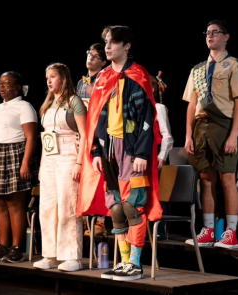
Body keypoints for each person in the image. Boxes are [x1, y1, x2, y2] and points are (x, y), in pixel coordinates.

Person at [77, 25, 163, 281]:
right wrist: (95, 152)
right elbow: (95, 119)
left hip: (132, 151)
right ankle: (123, 261)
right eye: (106, 43)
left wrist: (142, 154)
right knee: (115, 208)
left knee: (132, 207)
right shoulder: (102, 78)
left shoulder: (138, 75)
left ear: (126, 46)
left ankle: (135, 263)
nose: (107, 47)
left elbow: (147, 119)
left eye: (113, 42)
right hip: (109, 150)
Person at [183, 19, 238, 249]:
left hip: (224, 126)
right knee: (206, 181)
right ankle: (208, 231)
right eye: (207, 33)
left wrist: (234, 135)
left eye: (215, 32)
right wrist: (188, 135)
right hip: (202, 127)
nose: (210, 36)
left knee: (227, 180)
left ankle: (230, 233)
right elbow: (192, 105)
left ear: (226, 37)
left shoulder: (234, 65)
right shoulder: (198, 69)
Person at [0, 71, 39, 263]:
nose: (2, 87)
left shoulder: (24, 106)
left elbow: (31, 137)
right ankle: (2, 246)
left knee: (15, 204)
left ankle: (17, 248)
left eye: (7, 83)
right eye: (0, 83)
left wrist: (25, 163)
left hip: (14, 154)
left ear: (18, 87)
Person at [33, 63, 87, 272]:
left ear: (63, 79)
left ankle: (72, 256)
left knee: (68, 206)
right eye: (47, 77)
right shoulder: (48, 104)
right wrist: (41, 166)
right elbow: (46, 139)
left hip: (68, 156)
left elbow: (84, 134)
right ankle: (51, 255)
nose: (49, 81)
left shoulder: (75, 102)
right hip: (49, 159)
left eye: (53, 77)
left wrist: (79, 163)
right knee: (47, 207)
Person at [76, 43, 109, 237]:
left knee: (100, 178)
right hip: (83, 134)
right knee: (84, 178)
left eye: (95, 56)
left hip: (99, 134)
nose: (90, 58)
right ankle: (84, 219)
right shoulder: (82, 82)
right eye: (89, 54)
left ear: (104, 62)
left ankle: (101, 221)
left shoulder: (104, 79)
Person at [148, 74, 174, 240]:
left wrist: (162, 156)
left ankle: (160, 230)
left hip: (158, 156)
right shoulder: (138, 108)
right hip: (145, 155)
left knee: (159, 193)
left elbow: (167, 136)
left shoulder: (159, 108)